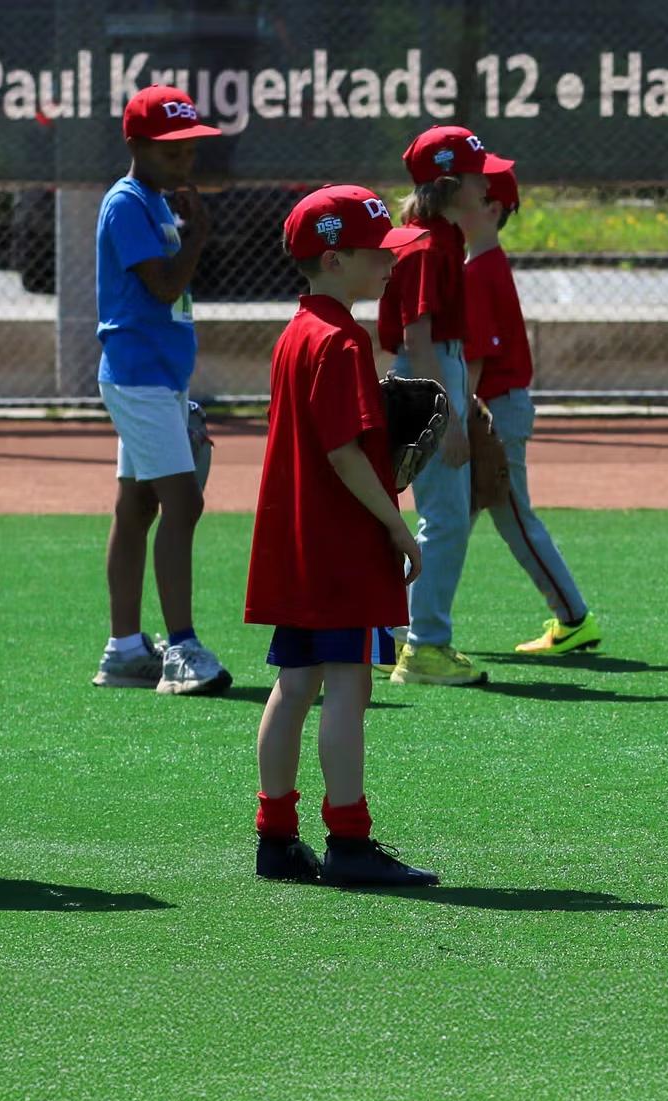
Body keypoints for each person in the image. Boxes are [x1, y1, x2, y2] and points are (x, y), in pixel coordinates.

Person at [247, 185, 442, 887]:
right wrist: (396, 523)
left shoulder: (298, 330)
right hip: (341, 543)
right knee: (349, 687)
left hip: (299, 542)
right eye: (374, 253)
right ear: (333, 259)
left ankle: (275, 835)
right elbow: (343, 451)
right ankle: (350, 841)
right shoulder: (342, 339)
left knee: (293, 684)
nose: (388, 263)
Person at [91, 85, 232, 696]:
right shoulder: (128, 202)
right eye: (170, 149)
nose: (184, 159)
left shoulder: (152, 199)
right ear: (135, 145)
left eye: (189, 147)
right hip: (138, 374)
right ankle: (182, 648)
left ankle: (124, 651)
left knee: (138, 506)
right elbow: (163, 288)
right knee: (184, 503)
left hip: (158, 375)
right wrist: (198, 233)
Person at [380, 125, 507, 686]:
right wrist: (450, 414)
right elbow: (417, 336)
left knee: (438, 515)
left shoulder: (429, 235)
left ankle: (403, 634)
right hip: (428, 373)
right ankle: (425, 645)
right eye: (478, 174)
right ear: (452, 184)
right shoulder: (429, 244)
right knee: (447, 517)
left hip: (428, 374)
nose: (488, 182)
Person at [457, 165, 601, 655]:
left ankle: (574, 617)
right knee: (451, 520)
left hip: (494, 411)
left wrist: (460, 416)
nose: (455, 205)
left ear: (492, 210)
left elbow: (475, 357)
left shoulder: (479, 269)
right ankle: (408, 624)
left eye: (468, 197)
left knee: (513, 517)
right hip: (496, 407)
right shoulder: (483, 263)